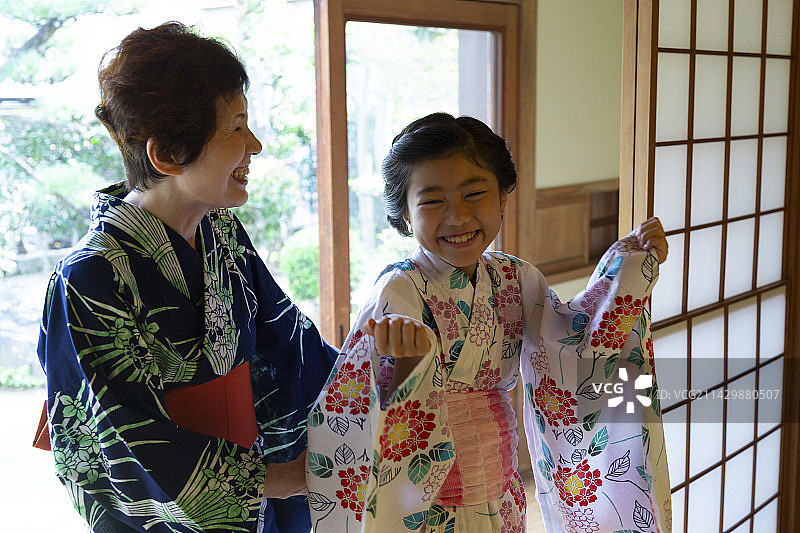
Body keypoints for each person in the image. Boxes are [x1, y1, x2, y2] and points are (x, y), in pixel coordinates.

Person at [35, 22, 337, 532]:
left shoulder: (222, 233)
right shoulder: (87, 277)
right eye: (237, 126)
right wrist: (280, 478)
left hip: (258, 498)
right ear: (168, 154)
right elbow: (125, 439)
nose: (255, 145)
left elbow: (291, 346)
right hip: (181, 512)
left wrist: (374, 373)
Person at [306, 112, 672, 532]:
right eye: (432, 201)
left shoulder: (518, 278)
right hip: (423, 506)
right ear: (405, 214)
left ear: (502, 199)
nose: (457, 216)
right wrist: (408, 365)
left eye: (474, 193)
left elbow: (575, 349)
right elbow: (360, 410)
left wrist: (626, 269)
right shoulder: (399, 290)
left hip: (502, 496)